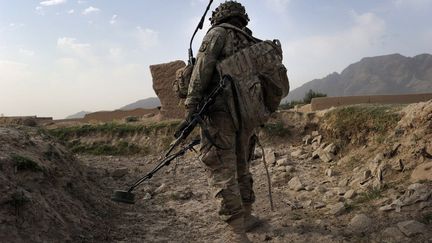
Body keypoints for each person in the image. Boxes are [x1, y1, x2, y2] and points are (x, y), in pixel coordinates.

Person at [183, 1, 262, 242]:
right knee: (242, 164)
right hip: (248, 114)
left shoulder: (217, 34)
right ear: (242, 18)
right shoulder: (251, 42)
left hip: (221, 113)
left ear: (218, 16)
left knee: (222, 167)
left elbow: (202, 70)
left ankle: (237, 232)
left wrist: (191, 104)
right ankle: (247, 216)